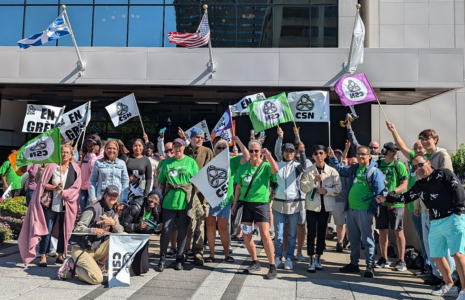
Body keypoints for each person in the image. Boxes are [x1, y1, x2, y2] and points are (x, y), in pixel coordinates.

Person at [375, 155, 465, 298]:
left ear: (428, 162)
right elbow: (406, 197)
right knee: (436, 255)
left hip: (452, 218)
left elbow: (458, 189)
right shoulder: (419, 185)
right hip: (435, 221)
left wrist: (459, 210)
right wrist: (386, 198)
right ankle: (450, 285)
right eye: (415, 167)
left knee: (457, 254)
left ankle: (464, 290)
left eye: (421, 165)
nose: (419, 169)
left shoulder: (443, 173)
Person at [386, 121, 455, 285]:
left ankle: (451, 279)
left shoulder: (441, 156)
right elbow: (402, 147)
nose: (423, 143)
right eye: (421, 139)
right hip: (425, 209)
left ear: (435, 140)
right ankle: (436, 274)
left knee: (445, 248)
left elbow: (448, 181)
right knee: (431, 245)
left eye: (426, 139)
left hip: (441, 211)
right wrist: (394, 130)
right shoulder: (420, 160)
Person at [18, 144, 82, 267]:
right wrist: (55, 188)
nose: (64, 154)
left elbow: (77, 187)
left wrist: (66, 193)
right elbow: (42, 184)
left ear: (71, 155)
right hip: (51, 203)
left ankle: (60, 254)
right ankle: (43, 255)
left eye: (67, 152)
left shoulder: (75, 168)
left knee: (65, 230)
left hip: (67, 204)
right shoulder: (52, 166)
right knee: (46, 229)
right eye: (62, 152)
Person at [328, 145, 386, 278]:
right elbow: (339, 170)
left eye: (363, 154)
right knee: (353, 239)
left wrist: (371, 211)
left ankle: (370, 266)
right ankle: (354, 264)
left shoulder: (374, 172)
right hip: (351, 210)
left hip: (364, 211)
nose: (361, 156)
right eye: (359, 154)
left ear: (369, 156)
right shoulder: (354, 168)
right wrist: (332, 158)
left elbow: (380, 194)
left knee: (367, 240)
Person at [58, 185, 125, 284]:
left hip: (95, 248)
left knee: (123, 236)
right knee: (97, 279)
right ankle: (72, 265)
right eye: (110, 194)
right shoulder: (93, 208)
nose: (113, 197)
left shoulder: (112, 212)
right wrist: (93, 230)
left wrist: (113, 223)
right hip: (81, 249)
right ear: (105, 195)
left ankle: (99, 263)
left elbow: (120, 230)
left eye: (115, 195)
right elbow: (77, 229)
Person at [232, 140, 279, 280]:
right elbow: (238, 187)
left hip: (261, 205)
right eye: (251, 151)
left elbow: (275, 170)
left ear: (260, 151)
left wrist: (269, 155)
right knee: (246, 235)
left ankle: (272, 266)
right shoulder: (243, 167)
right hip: (246, 205)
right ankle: (255, 261)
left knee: (265, 235)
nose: (253, 153)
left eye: (256, 151)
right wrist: (234, 204)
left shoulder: (265, 166)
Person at [157, 138, 199, 272]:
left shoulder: (191, 162)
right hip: (169, 201)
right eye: (174, 146)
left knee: (183, 231)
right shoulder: (167, 163)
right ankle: (162, 259)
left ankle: (179, 259)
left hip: (185, 202)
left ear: (183, 147)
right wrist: (158, 200)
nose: (177, 149)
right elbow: (161, 183)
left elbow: (198, 182)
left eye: (179, 146)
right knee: (166, 231)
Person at [205, 136, 249, 263]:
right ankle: (211, 254)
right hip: (210, 200)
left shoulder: (231, 161)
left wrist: (238, 141)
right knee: (210, 226)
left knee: (223, 228)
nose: (221, 150)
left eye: (224, 148)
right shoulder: (210, 160)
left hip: (224, 200)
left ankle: (226, 254)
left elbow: (247, 157)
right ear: (214, 149)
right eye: (219, 148)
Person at [274, 126, 312, 262]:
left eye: (292, 151)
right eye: (287, 151)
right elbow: (277, 152)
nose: (289, 153)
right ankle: (279, 255)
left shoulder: (298, 165)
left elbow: (304, 166)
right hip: (279, 202)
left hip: (296, 202)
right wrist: (280, 138)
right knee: (279, 233)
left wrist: (301, 152)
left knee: (294, 232)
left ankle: (292, 255)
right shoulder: (278, 164)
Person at [301, 145, 341, 272]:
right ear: (312, 156)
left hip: (326, 206)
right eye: (316, 154)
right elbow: (303, 188)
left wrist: (327, 190)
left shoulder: (332, 171)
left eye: (321, 153)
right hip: (312, 206)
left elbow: (338, 188)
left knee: (322, 232)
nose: (319, 156)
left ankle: (318, 257)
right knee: (311, 232)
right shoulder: (308, 171)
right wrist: (314, 181)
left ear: (325, 155)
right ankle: (311, 258)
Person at [374, 142, 409, 271]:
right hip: (381, 203)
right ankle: (384, 258)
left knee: (398, 231)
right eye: (392, 151)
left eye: (396, 151)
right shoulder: (378, 164)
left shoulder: (399, 165)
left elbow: (404, 184)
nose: (395, 153)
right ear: (386, 151)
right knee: (382, 231)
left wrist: (392, 193)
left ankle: (401, 260)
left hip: (396, 203)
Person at [181, 126, 213, 265]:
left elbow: (211, 172)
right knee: (185, 224)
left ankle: (198, 252)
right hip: (185, 194)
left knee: (200, 225)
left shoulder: (207, 151)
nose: (199, 139)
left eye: (201, 138)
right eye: (196, 137)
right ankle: (183, 251)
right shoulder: (184, 150)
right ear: (191, 138)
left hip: (201, 195)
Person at [120, 188, 163, 276]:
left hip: (138, 231)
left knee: (145, 237)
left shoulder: (154, 211)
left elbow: (147, 229)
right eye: (151, 197)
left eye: (156, 200)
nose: (152, 201)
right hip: (127, 232)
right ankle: (130, 267)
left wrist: (155, 229)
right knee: (139, 236)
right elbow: (123, 225)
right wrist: (138, 226)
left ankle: (140, 267)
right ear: (147, 197)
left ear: (158, 203)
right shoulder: (135, 207)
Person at [89, 140, 130, 206]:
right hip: (101, 198)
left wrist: (123, 200)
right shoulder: (98, 163)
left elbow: (125, 182)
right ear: (105, 149)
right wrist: (93, 199)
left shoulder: (122, 163)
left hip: (117, 199)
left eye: (114, 148)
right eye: (109, 148)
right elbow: (92, 181)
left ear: (117, 150)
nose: (111, 150)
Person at [332, 141, 350, 252]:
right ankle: (340, 242)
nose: (338, 157)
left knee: (347, 224)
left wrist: (347, 148)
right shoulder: (329, 167)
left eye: (339, 156)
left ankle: (343, 241)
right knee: (340, 223)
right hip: (335, 200)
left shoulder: (345, 168)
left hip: (347, 200)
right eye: (335, 156)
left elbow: (343, 158)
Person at [79, 134, 104, 212]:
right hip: (83, 187)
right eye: (88, 145)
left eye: (92, 145)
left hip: (94, 188)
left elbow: (94, 169)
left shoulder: (102, 156)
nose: (89, 147)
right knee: (83, 210)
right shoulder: (85, 155)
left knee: (90, 210)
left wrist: (92, 155)